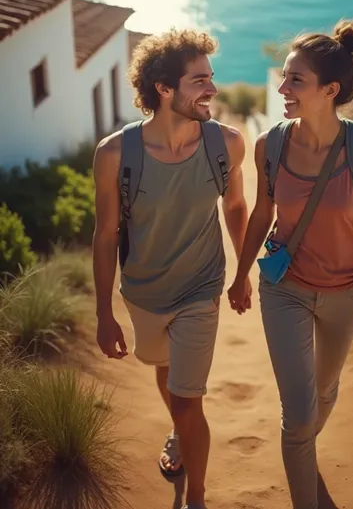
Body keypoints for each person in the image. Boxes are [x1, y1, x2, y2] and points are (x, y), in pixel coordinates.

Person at [227, 20, 353, 509]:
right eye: (285, 76)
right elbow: (262, 213)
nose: (281, 87)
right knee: (298, 417)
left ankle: (302, 449)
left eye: (295, 80)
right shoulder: (270, 146)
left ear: (330, 90)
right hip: (287, 288)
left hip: (346, 295)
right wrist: (240, 275)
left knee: (323, 394)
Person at [92, 28, 248, 509]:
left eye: (212, 78)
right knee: (164, 370)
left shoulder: (226, 144)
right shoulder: (115, 155)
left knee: (187, 399)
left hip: (202, 289)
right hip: (143, 293)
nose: (213, 90)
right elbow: (106, 235)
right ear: (164, 88)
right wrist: (103, 312)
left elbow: (237, 207)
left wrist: (243, 273)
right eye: (199, 80)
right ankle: (180, 436)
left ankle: (196, 497)